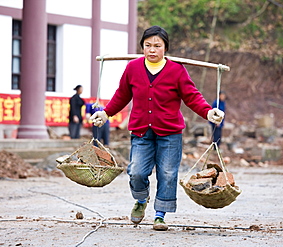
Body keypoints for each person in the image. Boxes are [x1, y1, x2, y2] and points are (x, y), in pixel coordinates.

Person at [90, 26, 224, 231]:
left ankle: (160, 215)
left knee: (168, 173)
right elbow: (122, 95)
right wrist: (106, 113)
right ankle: (141, 200)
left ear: (165, 48)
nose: (152, 50)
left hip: (170, 132)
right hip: (141, 131)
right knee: (136, 171)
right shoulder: (133, 68)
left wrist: (207, 112)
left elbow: (191, 96)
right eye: (148, 45)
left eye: (157, 46)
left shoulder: (177, 70)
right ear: (142, 47)